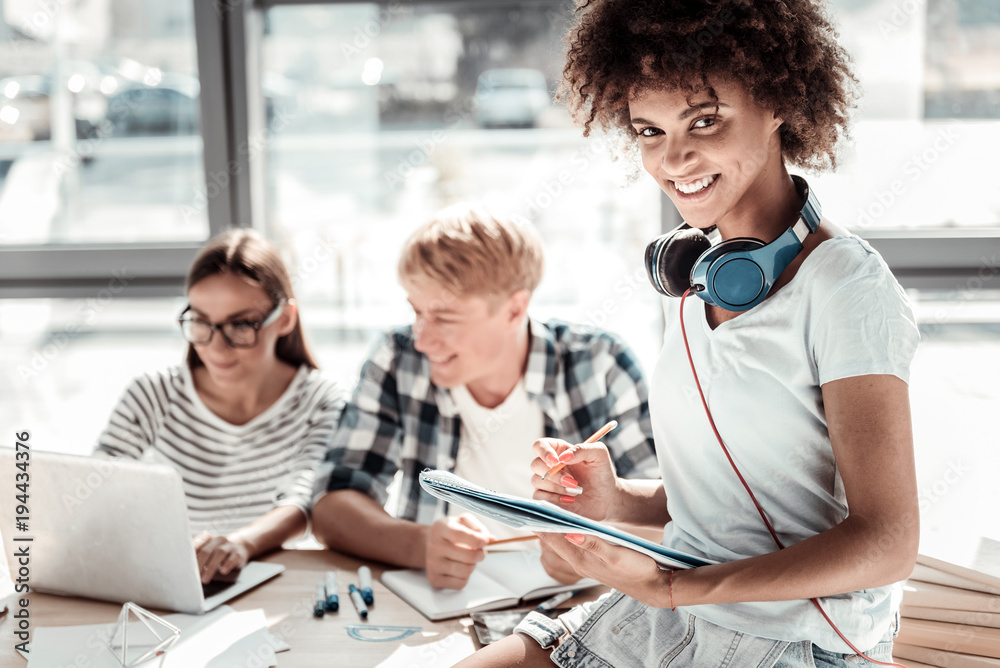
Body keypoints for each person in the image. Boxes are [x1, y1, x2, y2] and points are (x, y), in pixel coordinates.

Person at [457, 0, 920, 666]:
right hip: (679, 609)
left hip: (794, 637)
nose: (673, 158)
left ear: (778, 102)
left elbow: (887, 544)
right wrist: (615, 499)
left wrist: (676, 588)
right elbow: (733, 501)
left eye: (705, 120)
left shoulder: (846, 287)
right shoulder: (697, 276)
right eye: (649, 130)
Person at [311, 205, 660, 590]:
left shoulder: (600, 364)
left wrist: (596, 553)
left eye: (443, 318)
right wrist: (418, 545)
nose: (421, 339)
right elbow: (331, 507)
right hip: (445, 602)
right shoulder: (398, 358)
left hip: (579, 604)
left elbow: (669, 518)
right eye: (416, 312)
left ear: (514, 310)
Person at [95, 229, 346, 584]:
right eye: (201, 322)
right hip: (176, 580)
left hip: (274, 584)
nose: (216, 348)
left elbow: (305, 500)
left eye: (241, 325)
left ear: (285, 319)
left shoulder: (321, 400)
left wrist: (240, 544)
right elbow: (98, 490)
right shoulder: (151, 394)